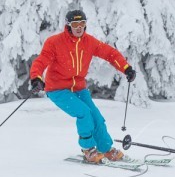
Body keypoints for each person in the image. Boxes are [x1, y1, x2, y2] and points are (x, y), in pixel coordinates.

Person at [29, 9, 136, 164]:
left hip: (78, 88)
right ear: (68, 25)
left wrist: (126, 68)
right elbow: (41, 61)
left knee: (96, 116)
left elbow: (110, 53)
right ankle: (88, 149)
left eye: (82, 23)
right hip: (57, 89)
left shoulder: (89, 42)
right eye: (75, 24)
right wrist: (36, 78)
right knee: (84, 113)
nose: (79, 27)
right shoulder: (55, 42)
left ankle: (106, 149)